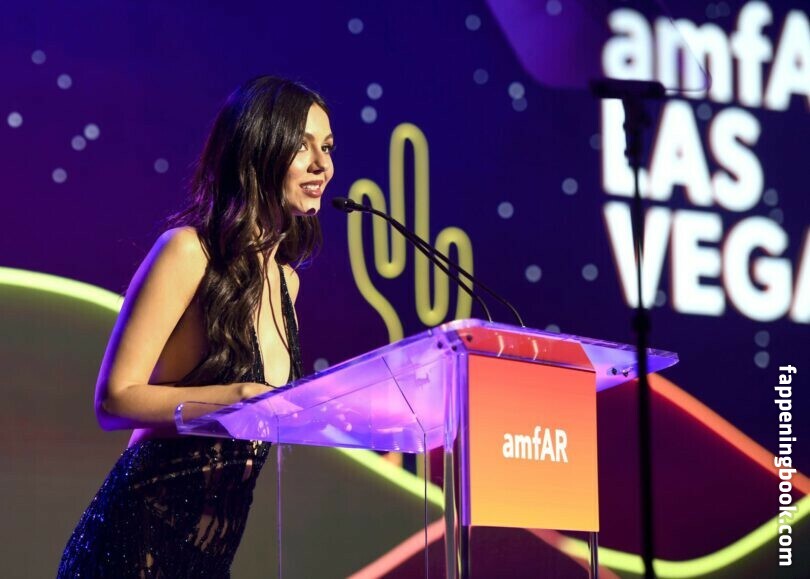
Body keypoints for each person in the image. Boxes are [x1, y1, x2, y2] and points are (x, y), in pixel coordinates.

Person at [57, 76, 335, 578]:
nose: (322, 163)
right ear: (258, 149)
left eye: (328, 147)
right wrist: (236, 396)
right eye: (302, 145)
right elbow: (114, 399)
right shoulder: (188, 252)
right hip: (134, 543)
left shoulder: (286, 284)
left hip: (208, 557)